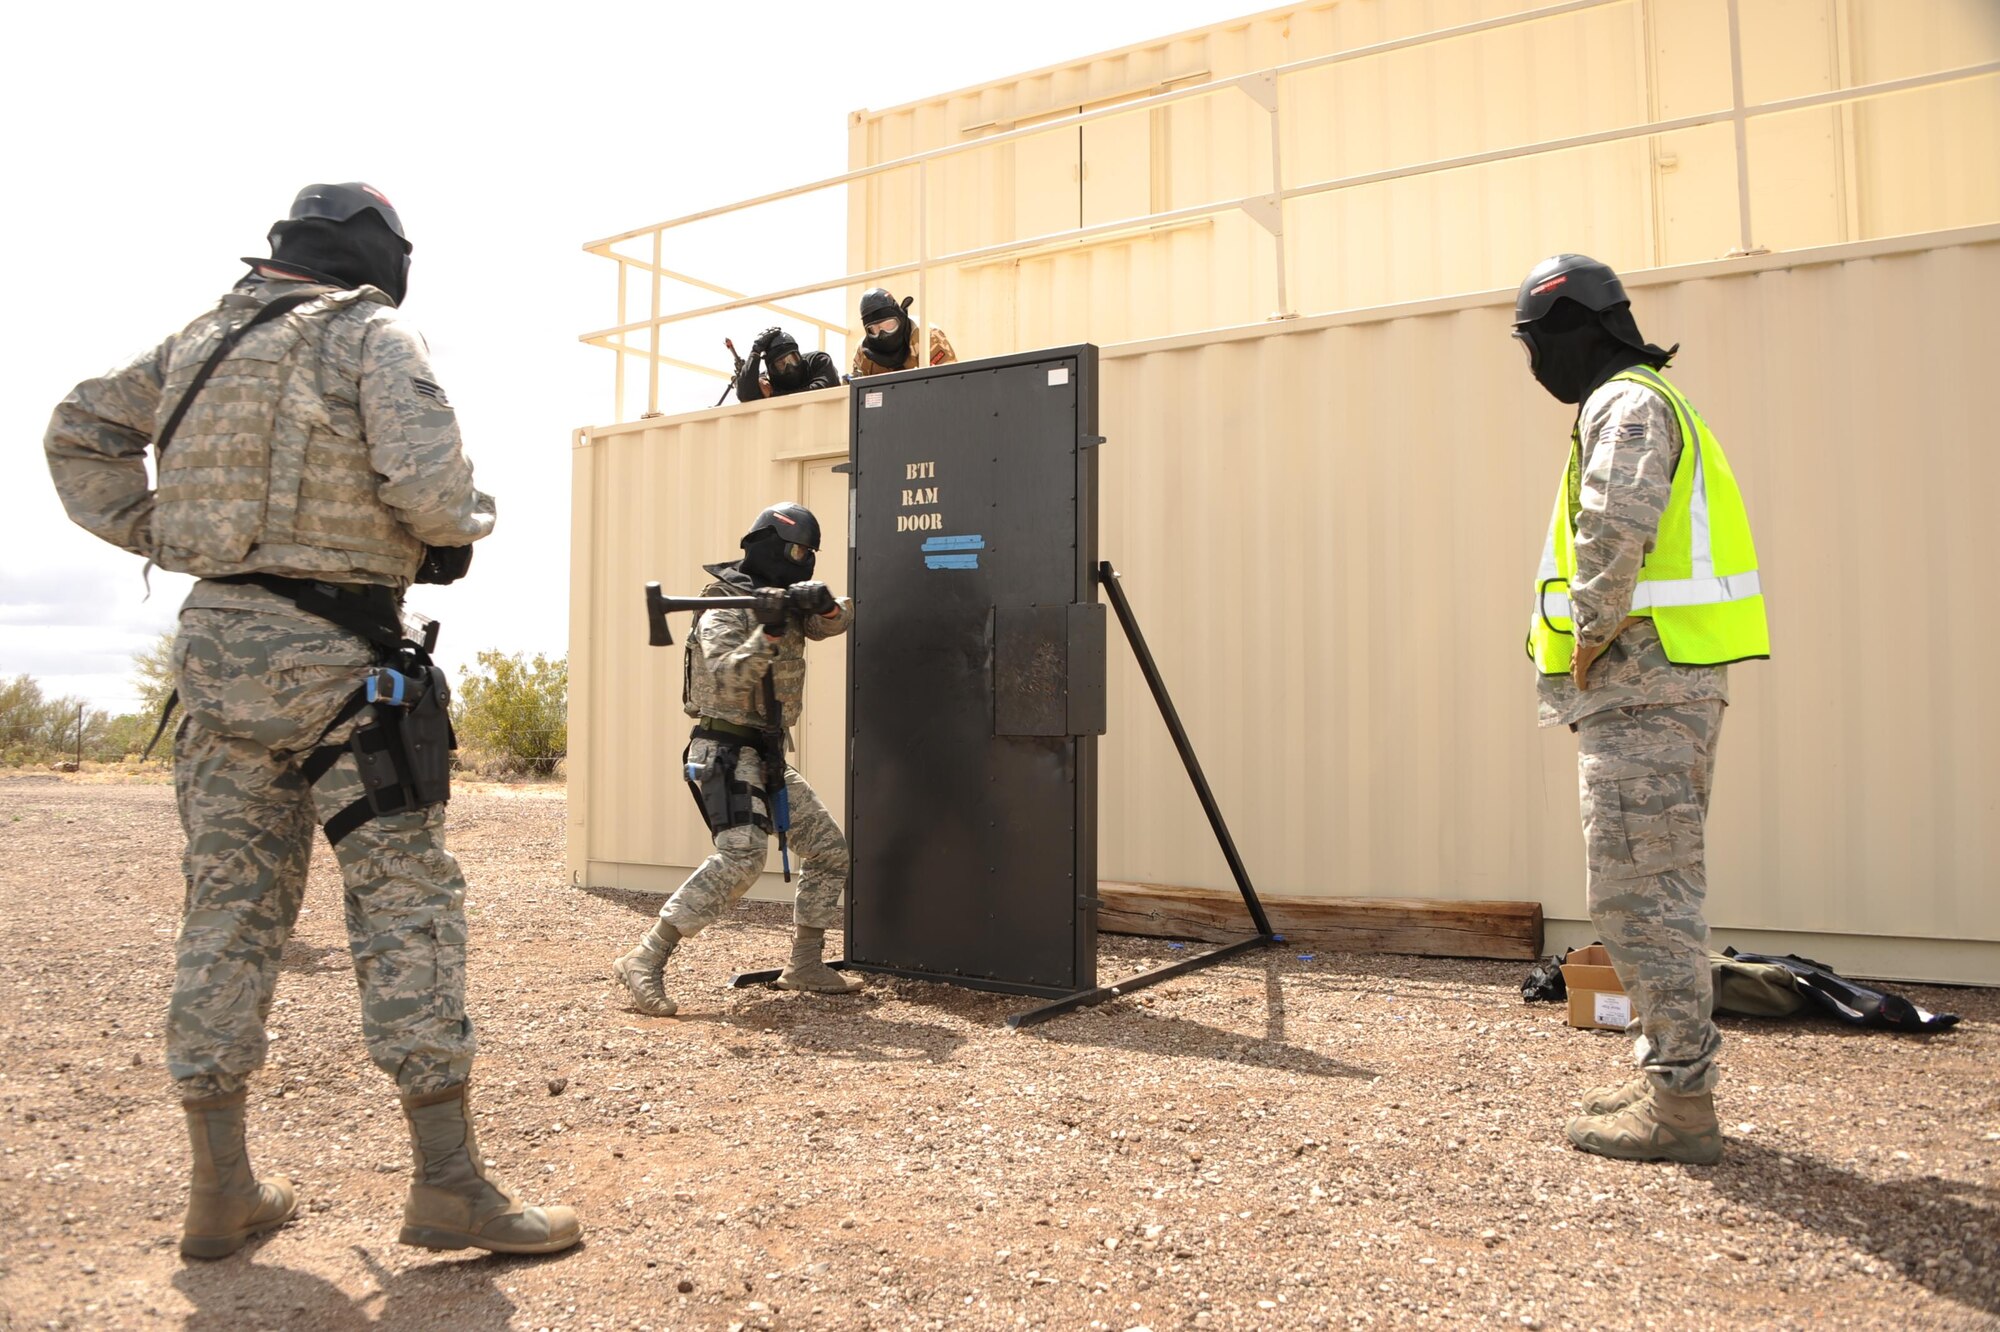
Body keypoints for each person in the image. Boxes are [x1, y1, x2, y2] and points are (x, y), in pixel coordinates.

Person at [43, 183, 580, 1258]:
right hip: (341, 664)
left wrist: (172, 531)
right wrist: (465, 526)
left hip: (215, 663)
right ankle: (447, 1186)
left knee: (229, 916)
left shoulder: (194, 342)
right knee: (407, 907)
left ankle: (222, 1192)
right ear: (375, 257)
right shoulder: (369, 334)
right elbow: (432, 495)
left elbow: (78, 433)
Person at [1514, 253, 1770, 1165]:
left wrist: (1588, 633)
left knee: (1641, 897)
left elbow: (1614, 526)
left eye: (1534, 343)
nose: (1534, 362)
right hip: (1665, 684)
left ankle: (1680, 1106)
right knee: (1651, 890)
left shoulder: (1625, 403)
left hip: (1644, 683)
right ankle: (1669, 1073)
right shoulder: (1645, 399)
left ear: (1571, 328)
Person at [613, 503, 861, 1014]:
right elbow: (727, 678)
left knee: (831, 850)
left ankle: (805, 964)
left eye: (809, 555)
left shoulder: (787, 603)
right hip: (723, 751)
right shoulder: (724, 606)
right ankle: (645, 958)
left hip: (767, 753)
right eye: (795, 551)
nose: (801, 560)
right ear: (769, 544)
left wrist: (826, 605)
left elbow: (834, 624)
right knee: (744, 853)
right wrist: (766, 632)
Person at [850, 287, 956, 377]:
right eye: (875, 329)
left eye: (888, 325)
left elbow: (947, 380)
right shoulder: (864, 351)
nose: (883, 333)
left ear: (900, 317)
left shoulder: (926, 336)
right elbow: (854, 391)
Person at [735, 326, 839, 401]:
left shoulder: (818, 361)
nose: (789, 367)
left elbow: (822, 389)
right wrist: (755, 351)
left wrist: (773, 395)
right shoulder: (767, 380)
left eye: (792, 359)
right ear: (771, 368)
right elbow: (745, 394)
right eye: (781, 363)